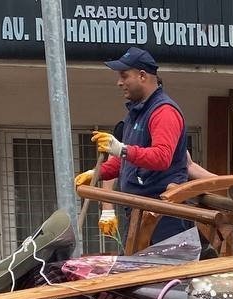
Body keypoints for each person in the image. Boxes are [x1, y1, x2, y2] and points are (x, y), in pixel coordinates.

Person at [75, 47, 189, 246]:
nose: (119, 82)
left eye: (124, 76)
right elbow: (126, 163)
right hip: (141, 213)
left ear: (142, 75)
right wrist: (97, 172)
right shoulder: (136, 113)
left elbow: (162, 157)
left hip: (164, 216)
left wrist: (121, 149)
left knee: (165, 276)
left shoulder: (163, 112)